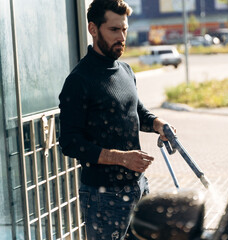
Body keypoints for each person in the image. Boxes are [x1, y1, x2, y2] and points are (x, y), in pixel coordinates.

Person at [58, 0, 174, 239]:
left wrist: (158, 124)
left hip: (139, 187)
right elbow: (69, 142)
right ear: (93, 29)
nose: (122, 36)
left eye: (124, 29)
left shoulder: (126, 71)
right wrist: (121, 159)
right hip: (103, 197)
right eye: (114, 30)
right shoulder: (79, 80)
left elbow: (137, 112)